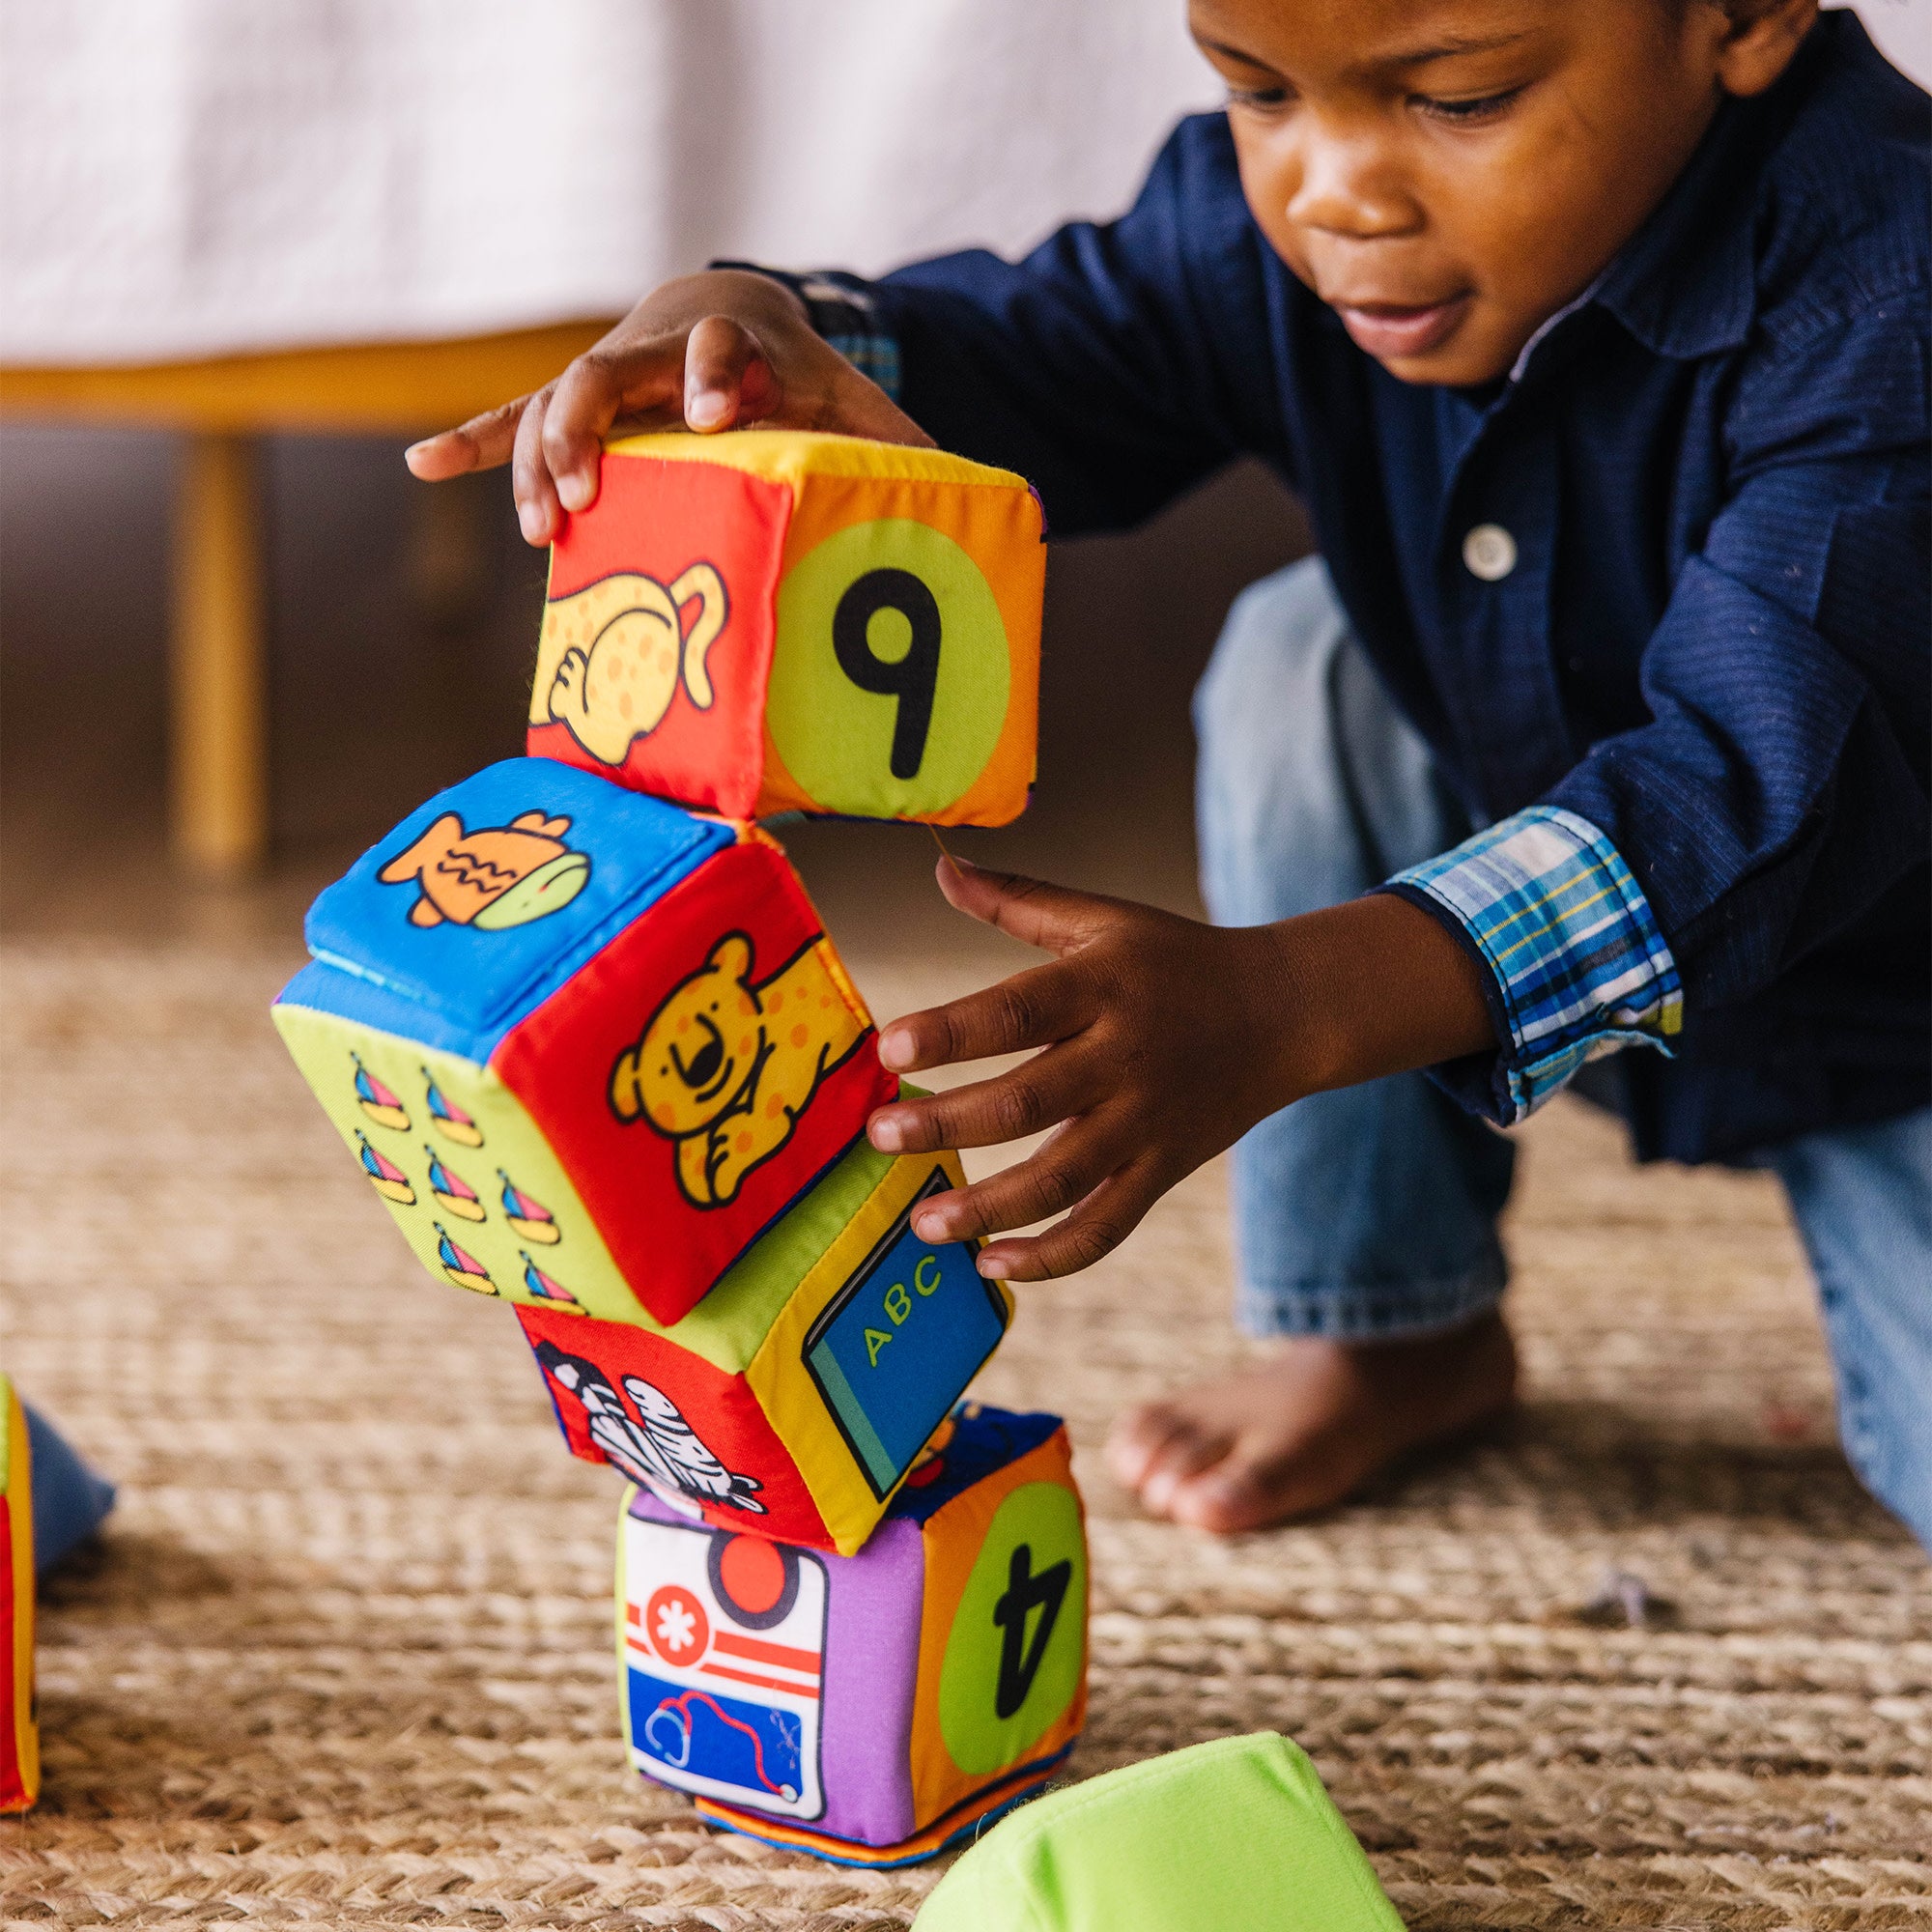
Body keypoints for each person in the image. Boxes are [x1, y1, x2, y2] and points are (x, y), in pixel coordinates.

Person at [407, 0, 1931, 1549]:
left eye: (1456, 99)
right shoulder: (1264, 229)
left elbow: (1748, 790)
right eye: (1258, 89)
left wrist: (1290, 1002)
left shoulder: (1898, 297)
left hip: (1897, 979)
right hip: (1555, 844)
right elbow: (1015, 362)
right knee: (1310, 657)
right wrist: (751, 321)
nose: (1335, 188)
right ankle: (1387, 1327)